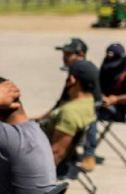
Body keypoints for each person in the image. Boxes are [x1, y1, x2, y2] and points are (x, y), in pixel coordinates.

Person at [35, 38, 102, 172]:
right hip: (71, 116)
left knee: (86, 118)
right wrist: (41, 118)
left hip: (85, 112)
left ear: (81, 55)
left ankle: (89, 153)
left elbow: (91, 104)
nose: (64, 57)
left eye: (69, 54)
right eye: (64, 53)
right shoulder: (74, 74)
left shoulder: (86, 73)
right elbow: (62, 101)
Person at [41, 60, 99, 168]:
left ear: (72, 80)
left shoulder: (70, 112)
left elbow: (56, 152)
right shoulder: (89, 101)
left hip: (38, 153)